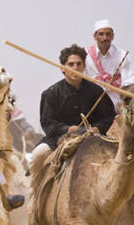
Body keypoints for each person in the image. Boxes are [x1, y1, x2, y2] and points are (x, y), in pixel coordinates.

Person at [31, 44, 117, 174]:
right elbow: (47, 123)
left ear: (84, 66)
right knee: (37, 155)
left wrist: (97, 128)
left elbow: (108, 116)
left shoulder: (96, 91)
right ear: (63, 68)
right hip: (58, 141)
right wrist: (68, 129)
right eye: (71, 64)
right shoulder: (51, 93)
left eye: (78, 64)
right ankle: (35, 192)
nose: (75, 68)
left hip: (93, 139)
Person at [84, 19, 134, 109]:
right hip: (92, 101)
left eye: (108, 34)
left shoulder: (123, 55)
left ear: (112, 36)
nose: (105, 38)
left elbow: (129, 81)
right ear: (94, 36)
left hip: (116, 102)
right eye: (101, 34)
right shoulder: (85, 54)